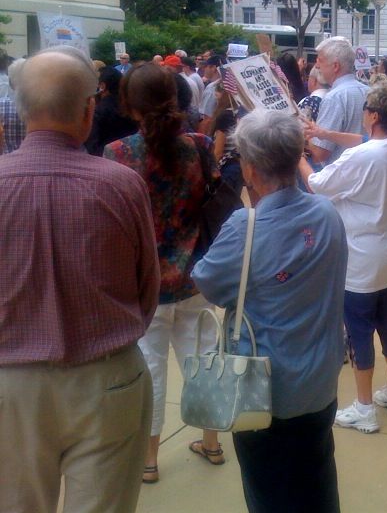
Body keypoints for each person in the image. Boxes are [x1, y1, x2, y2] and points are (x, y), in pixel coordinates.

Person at [0, 46, 160, 512]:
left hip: (10, 384)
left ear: (22, 110)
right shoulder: (120, 185)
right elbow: (147, 288)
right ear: (89, 109)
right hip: (107, 378)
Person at [193, 110, 346, 513]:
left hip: (263, 391)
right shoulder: (327, 213)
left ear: (249, 167)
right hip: (319, 381)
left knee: (269, 492)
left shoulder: (245, 226)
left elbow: (208, 282)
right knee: (318, 483)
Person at [104, 63, 227, 484]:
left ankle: (149, 459)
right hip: (196, 275)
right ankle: (212, 442)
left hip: (145, 283)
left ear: (128, 104)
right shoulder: (200, 145)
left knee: (151, 370)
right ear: (175, 97)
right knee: (205, 360)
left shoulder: (118, 154)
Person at [300, 81, 387, 433]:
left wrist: (299, 157)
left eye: (366, 109)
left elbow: (318, 184)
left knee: (359, 332)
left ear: (374, 115)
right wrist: (323, 133)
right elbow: (366, 142)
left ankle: (364, 406)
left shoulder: (362, 157)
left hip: (364, 259)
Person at [308, 37, 368, 166]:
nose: (317, 66)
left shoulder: (334, 98)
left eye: (320, 61)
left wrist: (305, 135)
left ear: (335, 66)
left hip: (341, 173)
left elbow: (320, 154)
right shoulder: (369, 91)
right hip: (367, 171)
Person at [85, 66, 138, 156]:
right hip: (132, 157)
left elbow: (92, 148)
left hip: (105, 159)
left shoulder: (98, 112)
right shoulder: (132, 107)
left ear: (102, 86)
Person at [0, 58, 26, 154]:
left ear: (10, 83)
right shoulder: (42, 108)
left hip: (4, 160)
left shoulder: (1, 105)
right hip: (33, 159)